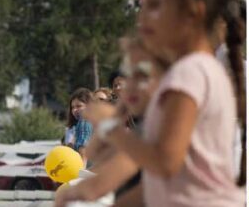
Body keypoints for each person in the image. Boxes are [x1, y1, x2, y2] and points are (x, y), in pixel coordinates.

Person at [93, 0, 246, 205]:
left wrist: (110, 126)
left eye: (154, 5)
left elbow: (165, 162)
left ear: (192, 13)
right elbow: (165, 183)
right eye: (141, 4)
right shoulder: (196, 70)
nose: (142, 17)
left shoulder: (189, 75)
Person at [55, 37, 168, 206]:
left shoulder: (168, 114)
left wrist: (110, 125)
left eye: (140, 77)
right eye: (120, 83)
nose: (124, 87)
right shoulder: (143, 121)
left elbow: (160, 165)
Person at [63, 88, 95, 161]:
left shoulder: (84, 122)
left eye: (79, 106)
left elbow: (83, 150)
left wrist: (80, 171)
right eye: (72, 107)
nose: (74, 110)